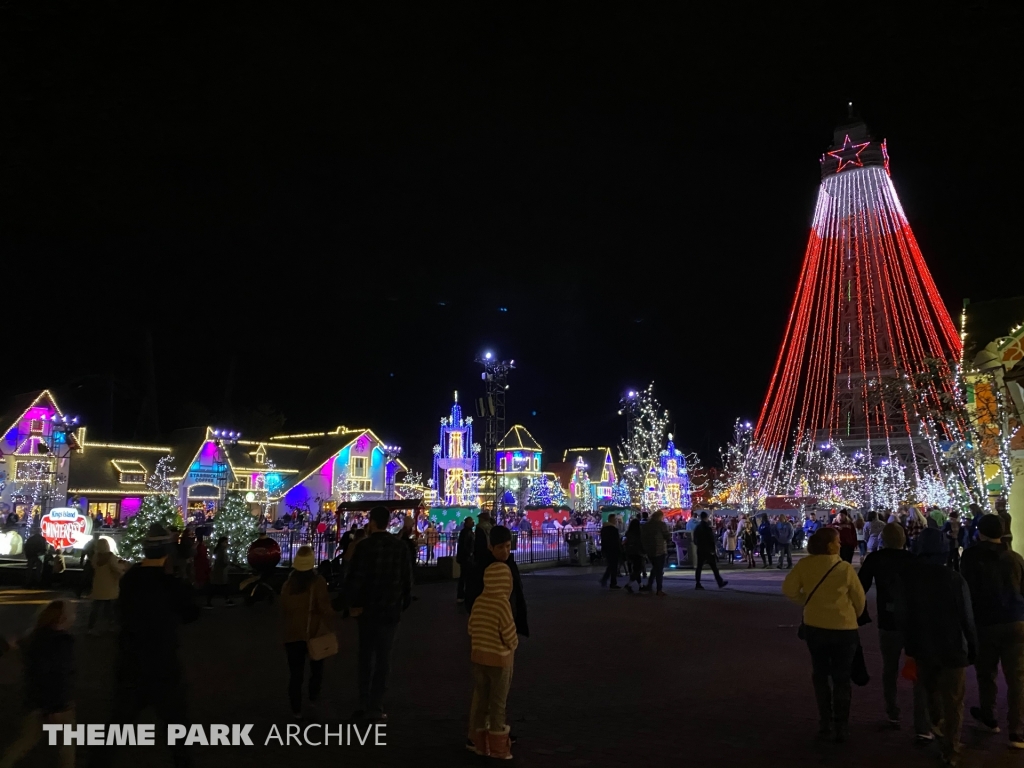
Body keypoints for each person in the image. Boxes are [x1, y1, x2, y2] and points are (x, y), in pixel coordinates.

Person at [114, 524, 200, 768]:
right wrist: (177, 578)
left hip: (130, 659)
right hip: (163, 663)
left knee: (117, 725)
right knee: (177, 727)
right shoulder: (168, 582)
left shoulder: (130, 578)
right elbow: (191, 612)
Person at [901, 527, 978, 765]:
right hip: (952, 646)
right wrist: (973, 647)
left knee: (931, 693)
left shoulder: (911, 580)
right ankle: (951, 747)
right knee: (953, 700)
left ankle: (939, 729)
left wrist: (910, 646)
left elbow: (905, 617)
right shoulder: (954, 579)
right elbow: (967, 617)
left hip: (924, 646)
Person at [783, 528, 866, 743]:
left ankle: (825, 721)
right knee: (842, 678)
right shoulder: (844, 568)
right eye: (837, 541)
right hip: (843, 629)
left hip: (816, 626)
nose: (840, 544)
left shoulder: (805, 565)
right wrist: (850, 614)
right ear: (830, 545)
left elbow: (789, 589)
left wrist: (808, 601)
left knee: (820, 674)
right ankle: (842, 725)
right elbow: (859, 600)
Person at [959, 513, 1024, 749]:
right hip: (1015, 622)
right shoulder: (1015, 558)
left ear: (981, 532)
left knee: (986, 673)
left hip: (985, 622)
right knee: (1017, 677)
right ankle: (1016, 731)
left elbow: (966, 589)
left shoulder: (971, 556)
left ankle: (989, 717)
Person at [857, 523, 928, 735]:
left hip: (888, 619)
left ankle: (892, 711)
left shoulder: (876, 559)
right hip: (913, 622)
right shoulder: (913, 560)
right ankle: (921, 720)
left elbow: (861, 586)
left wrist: (861, 613)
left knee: (889, 667)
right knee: (918, 669)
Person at [344, 506, 413, 722]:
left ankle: (363, 699)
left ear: (372, 522)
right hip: (390, 609)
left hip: (367, 609)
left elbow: (355, 578)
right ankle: (377, 702)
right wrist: (403, 601)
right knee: (384, 657)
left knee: (366, 655)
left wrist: (350, 603)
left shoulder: (364, 547)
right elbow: (407, 579)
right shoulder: (399, 547)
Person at [0, 600, 76, 768]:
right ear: (62, 618)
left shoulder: (36, 638)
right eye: (72, 613)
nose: (74, 616)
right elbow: (57, 676)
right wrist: (56, 707)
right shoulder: (61, 643)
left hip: (35, 700)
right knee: (67, 743)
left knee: (26, 740)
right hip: (56, 703)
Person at [466, 561, 518, 759]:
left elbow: (471, 628)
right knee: (498, 703)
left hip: (479, 659)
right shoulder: (502, 605)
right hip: (499, 660)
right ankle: (498, 748)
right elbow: (509, 634)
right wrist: (513, 645)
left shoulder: (479, 601)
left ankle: (479, 744)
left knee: (481, 702)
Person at [280, 545, 334, 719]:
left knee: (295, 673)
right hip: (313, 632)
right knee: (316, 669)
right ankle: (312, 697)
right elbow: (324, 607)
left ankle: (296, 707)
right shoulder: (317, 582)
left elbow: (284, 607)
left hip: (292, 633)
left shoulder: (288, 584)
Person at [87, 538, 123, 634]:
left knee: (96, 608)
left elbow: (94, 566)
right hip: (109, 585)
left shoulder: (96, 557)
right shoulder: (111, 557)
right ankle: (110, 626)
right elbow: (115, 568)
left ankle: (91, 627)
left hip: (98, 585)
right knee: (109, 607)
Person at [693, 511, 728, 590]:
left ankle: (698, 583)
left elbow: (695, 540)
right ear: (706, 517)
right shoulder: (707, 528)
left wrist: (699, 545)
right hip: (708, 550)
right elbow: (711, 539)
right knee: (714, 567)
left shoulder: (697, 527)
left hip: (700, 549)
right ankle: (719, 582)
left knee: (699, 567)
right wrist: (713, 550)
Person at [641, 510, 670, 596]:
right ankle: (659, 589)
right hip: (659, 549)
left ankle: (649, 585)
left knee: (655, 568)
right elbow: (667, 536)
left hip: (649, 550)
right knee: (659, 570)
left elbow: (643, 537)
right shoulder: (661, 525)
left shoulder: (646, 526)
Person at [207, 536, 233, 607]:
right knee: (219, 587)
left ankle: (227, 599)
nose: (227, 544)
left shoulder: (220, 550)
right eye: (225, 542)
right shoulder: (220, 551)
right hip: (220, 572)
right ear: (221, 543)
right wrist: (228, 563)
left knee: (219, 587)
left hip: (220, 572)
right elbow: (221, 562)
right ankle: (226, 600)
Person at [599, 514, 622, 589]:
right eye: (615, 519)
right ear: (612, 520)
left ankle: (606, 579)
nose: (616, 521)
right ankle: (612, 582)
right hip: (614, 549)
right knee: (613, 566)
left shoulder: (604, 529)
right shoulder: (614, 530)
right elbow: (616, 541)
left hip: (607, 549)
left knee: (611, 565)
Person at [623, 517, 645, 593]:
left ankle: (641, 585)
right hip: (637, 552)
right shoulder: (639, 533)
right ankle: (629, 584)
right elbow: (640, 543)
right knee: (638, 569)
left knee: (636, 569)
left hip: (629, 552)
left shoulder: (628, 533)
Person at [456, 517, 475, 604]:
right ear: (467, 523)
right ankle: (462, 594)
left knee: (465, 576)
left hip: (465, 557)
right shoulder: (467, 532)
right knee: (465, 576)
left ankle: (463, 594)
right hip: (466, 557)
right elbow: (465, 545)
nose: (473, 523)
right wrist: (470, 553)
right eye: (471, 521)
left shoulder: (467, 532)